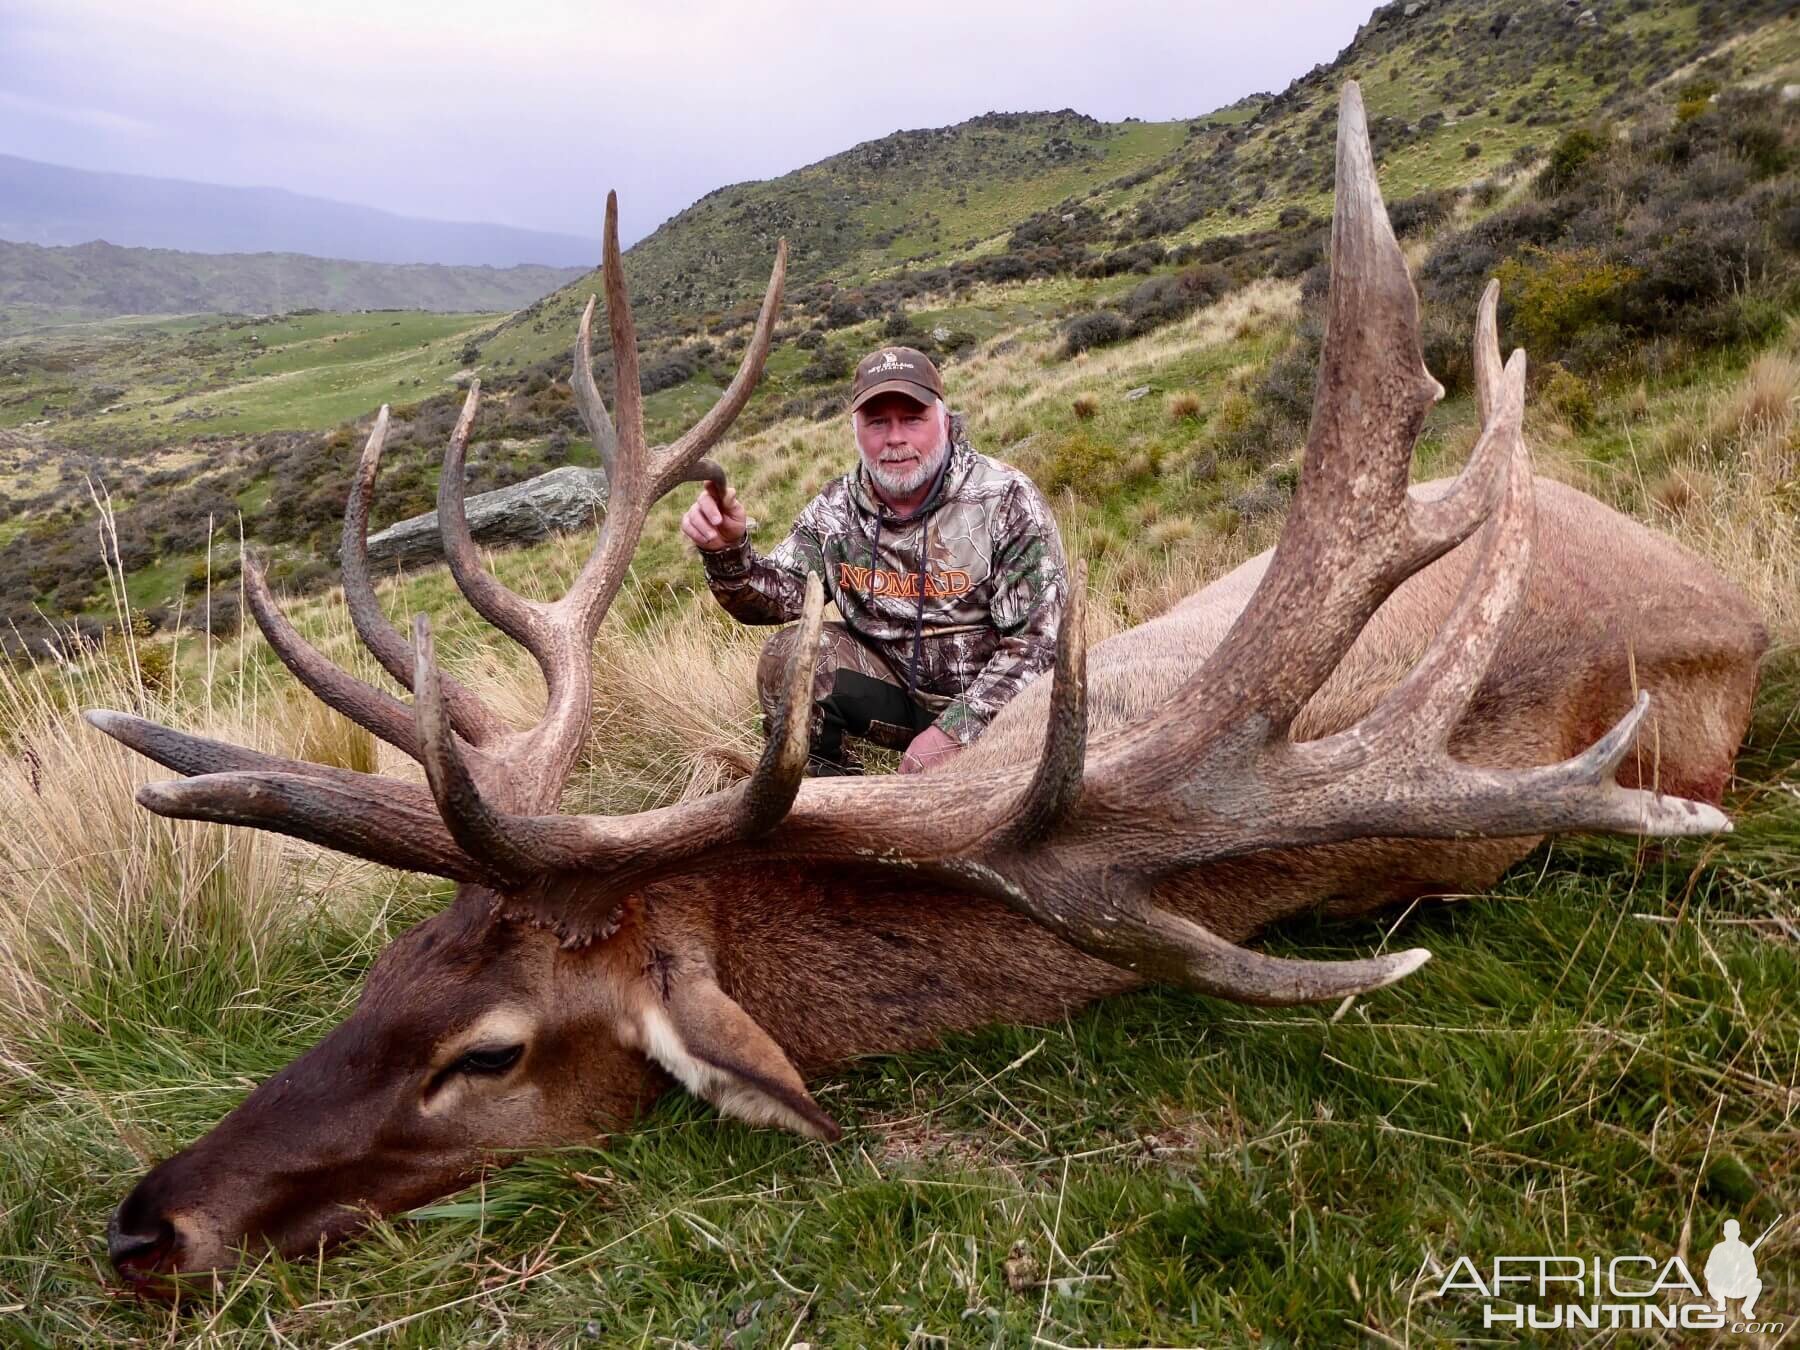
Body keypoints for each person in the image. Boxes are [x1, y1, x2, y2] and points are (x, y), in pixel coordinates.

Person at [681, 345, 1067, 776]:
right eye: (877, 422)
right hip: (894, 694)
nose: (895, 439)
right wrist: (727, 553)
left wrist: (955, 731)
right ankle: (833, 807)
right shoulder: (834, 510)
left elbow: (1040, 645)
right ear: (855, 430)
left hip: (1000, 703)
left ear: (944, 420)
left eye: (913, 419)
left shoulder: (1006, 497)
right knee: (787, 659)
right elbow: (777, 600)